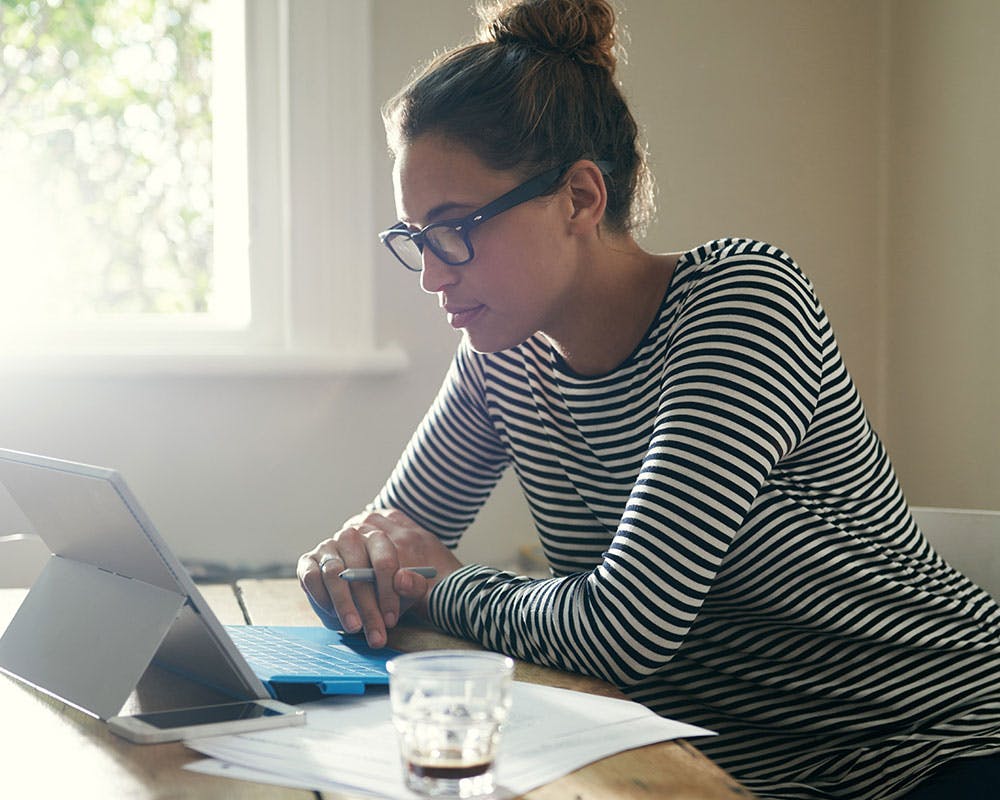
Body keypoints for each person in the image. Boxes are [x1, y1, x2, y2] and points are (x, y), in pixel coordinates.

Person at [297, 1, 1000, 797]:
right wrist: (344, 568)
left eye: (456, 227)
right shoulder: (501, 359)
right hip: (717, 768)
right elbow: (393, 551)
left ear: (580, 199)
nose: (432, 274)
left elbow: (624, 629)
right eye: (417, 238)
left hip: (937, 746)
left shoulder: (743, 304)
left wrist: (441, 584)